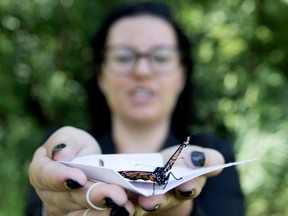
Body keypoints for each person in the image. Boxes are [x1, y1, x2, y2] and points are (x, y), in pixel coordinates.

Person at [26, 2, 245, 216]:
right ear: (101, 75)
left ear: (182, 75)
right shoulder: (72, 156)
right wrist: (55, 209)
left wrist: (179, 207)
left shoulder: (211, 152)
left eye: (161, 57)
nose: (142, 71)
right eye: (123, 57)